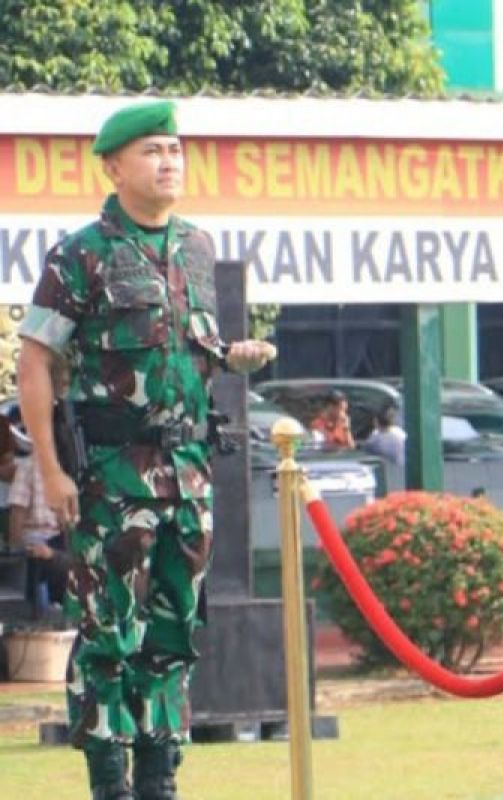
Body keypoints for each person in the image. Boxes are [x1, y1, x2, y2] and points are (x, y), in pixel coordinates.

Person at [16, 100, 276, 800]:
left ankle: (160, 780)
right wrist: (51, 471)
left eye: (175, 149)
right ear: (113, 166)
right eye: (152, 151)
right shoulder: (81, 254)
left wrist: (232, 355)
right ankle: (111, 784)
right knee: (108, 640)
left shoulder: (195, 246)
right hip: (110, 478)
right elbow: (35, 361)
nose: (169, 162)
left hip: (188, 476)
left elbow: (189, 353)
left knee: (174, 635)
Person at [8, 454, 70, 609]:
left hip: (57, 537)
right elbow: (17, 512)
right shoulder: (28, 467)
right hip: (32, 537)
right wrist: (16, 550)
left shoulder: (66, 466)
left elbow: (66, 519)